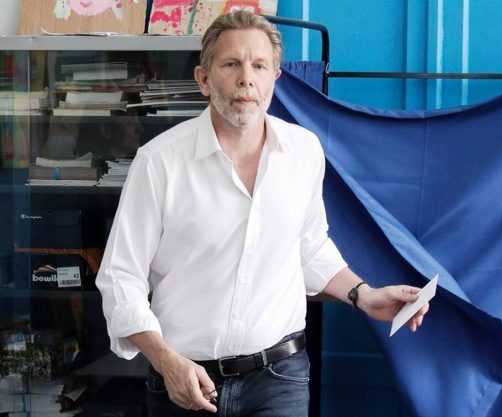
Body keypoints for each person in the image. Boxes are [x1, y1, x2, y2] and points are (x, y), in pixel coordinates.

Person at [95, 9, 429, 417]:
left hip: (280, 376)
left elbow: (309, 247)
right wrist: (165, 361)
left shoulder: (303, 151)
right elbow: (120, 277)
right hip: (187, 378)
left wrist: (366, 295)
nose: (246, 78)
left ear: (275, 77)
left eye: (259, 65)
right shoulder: (159, 162)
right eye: (231, 64)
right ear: (203, 78)